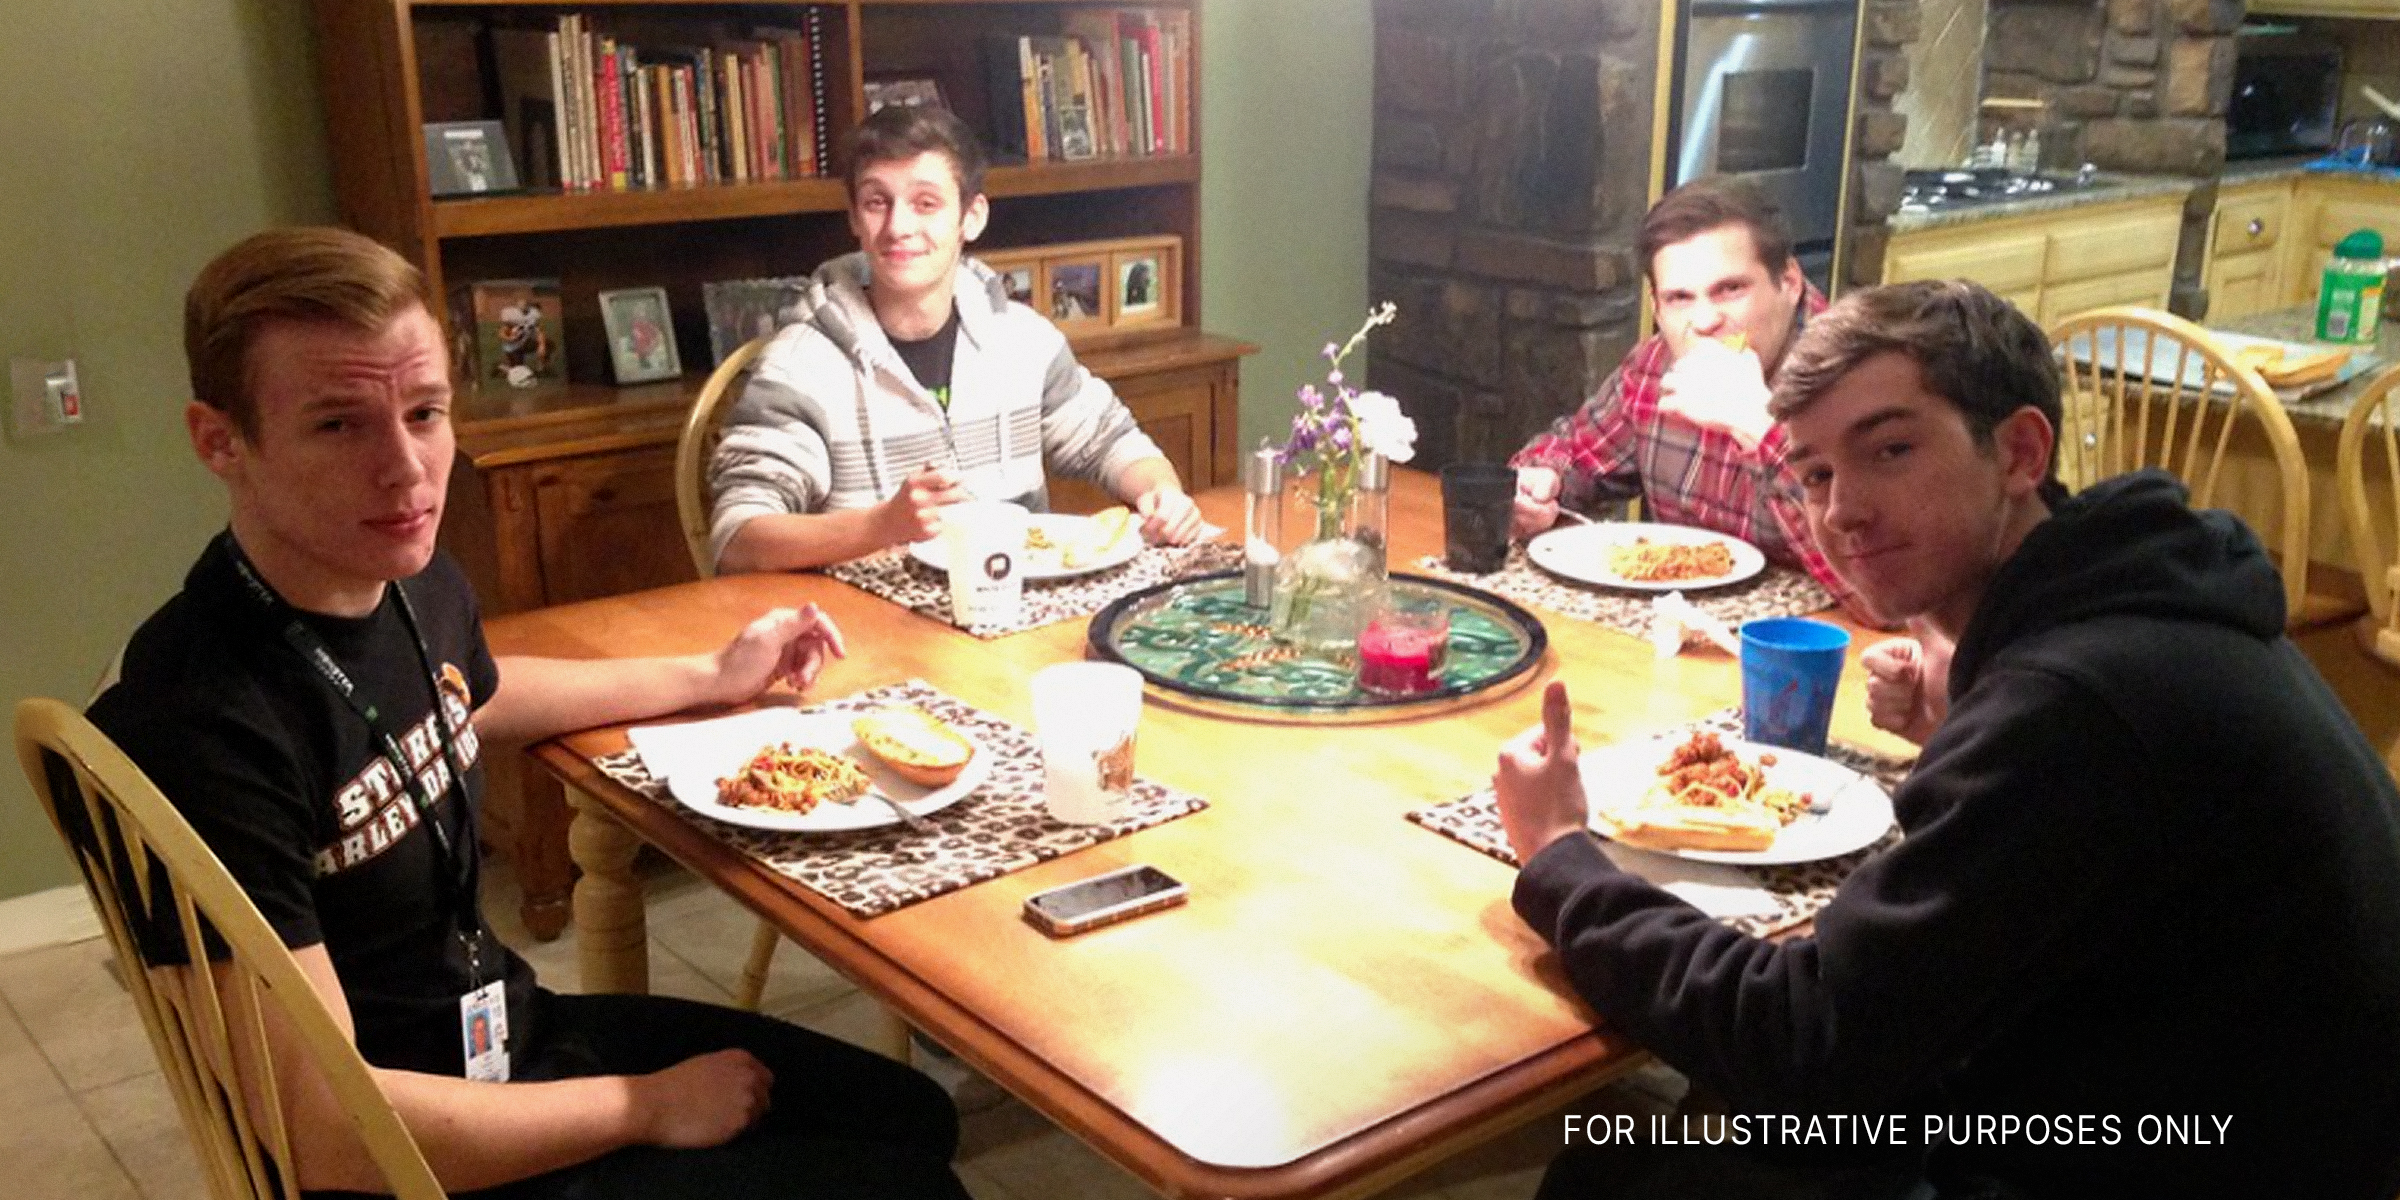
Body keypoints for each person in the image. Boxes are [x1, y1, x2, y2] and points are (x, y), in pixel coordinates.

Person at [89, 226, 971, 1200]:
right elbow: (328, 1134)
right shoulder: (196, 724)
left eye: (426, 412)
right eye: (339, 425)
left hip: (507, 1035)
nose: (408, 468)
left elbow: (479, 695)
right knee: (908, 1188)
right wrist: (646, 1106)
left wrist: (712, 673)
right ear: (221, 440)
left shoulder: (394, 578)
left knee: (913, 1116)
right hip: (416, 1155)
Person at [1492, 280, 2400, 1198]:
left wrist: (1564, 856)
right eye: (1813, 474)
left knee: (1617, 1170)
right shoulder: (2135, 605)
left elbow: (1804, 1038)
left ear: (2019, 450)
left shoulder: (2071, 704)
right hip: (2192, 1100)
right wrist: (1966, 713)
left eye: (1890, 449)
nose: (1842, 509)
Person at [708, 104, 1203, 574]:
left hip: (1017, 621)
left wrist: (1161, 495)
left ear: (972, 217)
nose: (899, 227)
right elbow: (737, 539)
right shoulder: (800, 366)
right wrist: (880, 526)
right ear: (855, 218)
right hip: (870, 638)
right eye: (877, 202)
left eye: (926, 203)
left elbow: (1113, 444)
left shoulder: (1024, 341)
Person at [1507, 177, 1855, 612]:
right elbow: (1574, 453)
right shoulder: (1656, 365)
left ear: (1788, 281)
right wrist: (1540, 485)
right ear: (1656, 306)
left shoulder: (1858, 379)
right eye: (1680, 298)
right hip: (1678, 641)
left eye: (1730, 289)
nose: (1705, 320)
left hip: (1828, 658)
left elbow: (1879, 602)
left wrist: (1759, 429)